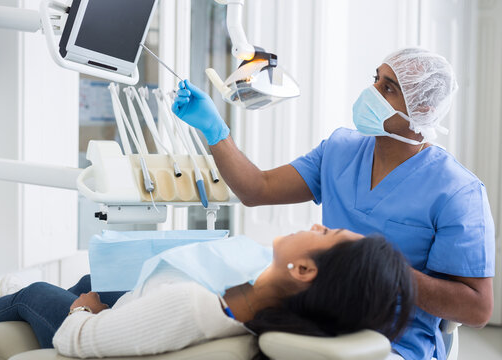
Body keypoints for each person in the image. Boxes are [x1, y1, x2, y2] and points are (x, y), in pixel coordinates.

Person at [172, 47, 495, 360]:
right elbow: (258, 189)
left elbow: (477, 308)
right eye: (376, 79)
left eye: (388, 88)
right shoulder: (340, 150)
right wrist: (215, 131)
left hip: (393, 338)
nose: (372, 92)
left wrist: (382, 269)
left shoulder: (457, 190)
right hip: (315, 311)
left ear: (422, 110)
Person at [0, 226, 414, 358]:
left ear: (301, 269)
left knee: (39, 292)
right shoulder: (266, 305)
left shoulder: (191, 306)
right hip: (133, 312)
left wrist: (84, 313)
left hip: (84, 334)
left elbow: (76, 339)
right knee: (91, 282)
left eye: (328, 232)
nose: (317, 224)